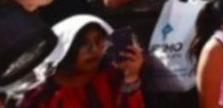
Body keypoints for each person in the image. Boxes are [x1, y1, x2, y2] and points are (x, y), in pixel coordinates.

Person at [17, 15, 147, 108]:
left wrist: (131, 77)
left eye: (99, 40)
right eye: (84, 43)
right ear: (64, 48)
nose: (94, 49)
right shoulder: (39, 94)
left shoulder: (113, 77)